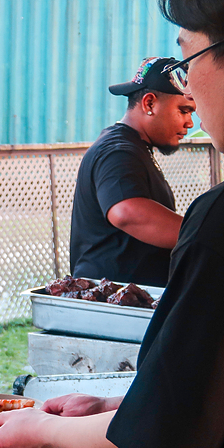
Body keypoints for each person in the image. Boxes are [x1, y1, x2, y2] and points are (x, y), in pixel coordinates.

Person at [0, 2, 224, 448]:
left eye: (189, 57)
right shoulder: (121, 152)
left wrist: (40, 429)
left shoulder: (218, 226)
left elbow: (156, 438)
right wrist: (119, 397)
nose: (191, 96)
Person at [69, 56, 196, 287]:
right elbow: (126, 212)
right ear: (149, 103)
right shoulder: (118, 151)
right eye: (184, 110)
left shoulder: (135, 148)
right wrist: (204, 235)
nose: (190, 123)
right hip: (112, 310)